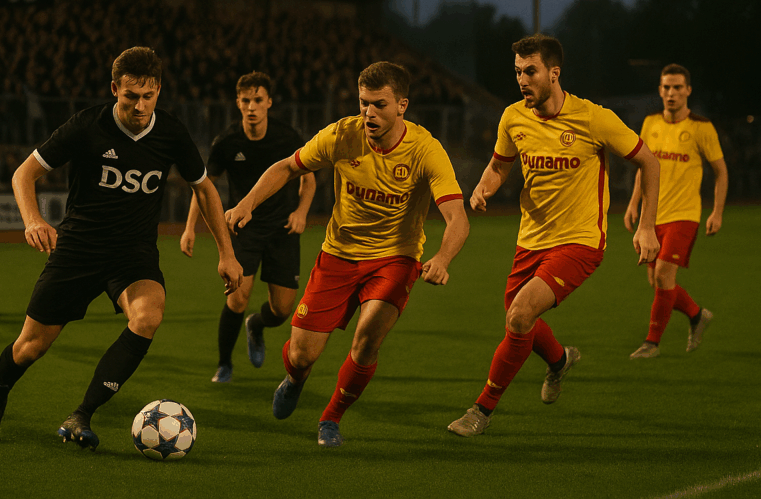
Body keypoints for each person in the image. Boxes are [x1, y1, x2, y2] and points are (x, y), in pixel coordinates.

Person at [0, 46, 242, 448]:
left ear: (158, 92)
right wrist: (32, 219)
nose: (139, 105)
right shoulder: (87, 126)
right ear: (115, 88)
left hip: (132, 253)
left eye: (148, 96)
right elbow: (23, 173)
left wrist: (227, 253)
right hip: (79, 248)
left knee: (149, 315)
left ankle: (82, 414)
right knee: (30, 347)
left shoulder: (170, 132)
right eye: (131, 96)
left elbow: (203, 188)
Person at [226, 61, 470, 448]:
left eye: (379, 105)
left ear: (402, 105)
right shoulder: (342, 134)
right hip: (338, 255)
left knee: (367, 339)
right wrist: (246, 203)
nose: (369, 113)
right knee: (303, 355)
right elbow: (288, 167)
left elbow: (458, 217)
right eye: (363, 103)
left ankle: (331, 417)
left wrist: (441, 258)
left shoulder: (426, 151)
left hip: (396, 258)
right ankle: (295, 379)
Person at [447, 35, 661, 438]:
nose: (522, 80)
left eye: (530, 71)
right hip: (531, 240)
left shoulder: (594, 118)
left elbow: (649, 162)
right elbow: (498, 165)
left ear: (553, 73)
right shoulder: (513, 117)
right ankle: (560, 361)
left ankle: (482, 410)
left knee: (520, 314)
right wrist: (483, 186)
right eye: (517, 72)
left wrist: (647, 225)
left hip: (580, 242)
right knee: (519, 319)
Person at [181, 72, 316, 383]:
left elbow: (308, 179)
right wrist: (189, 228)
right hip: (244, 228)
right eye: (246, 101)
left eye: (258, 100)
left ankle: (257, 324)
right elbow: (204, 187)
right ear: (237, 103)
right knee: (236, 298)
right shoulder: (227, 142)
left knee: (282, 310)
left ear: (269, 102)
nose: (252, 107)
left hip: (282, 228)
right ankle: (225, 364)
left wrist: (301, 212)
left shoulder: (287, 137)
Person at [624, 64, 726, 359]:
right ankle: (696, 315)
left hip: (685, 214)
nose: (671, 93)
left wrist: (716, 212)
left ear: (688, 91)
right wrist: (634, 203)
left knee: (664, 277)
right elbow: (643, 169)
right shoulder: (650, 122)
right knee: (656, 280)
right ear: (660, 90)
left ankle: (651, 343)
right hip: (653, 216)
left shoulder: (700, 127)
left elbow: (721, 172)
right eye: (666, 87)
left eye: (677, 87)